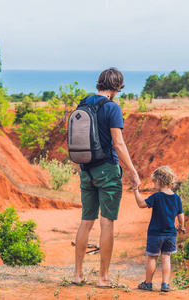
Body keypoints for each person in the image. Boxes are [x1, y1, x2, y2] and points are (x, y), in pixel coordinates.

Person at [73, 67, 141, 287]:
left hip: (86, 170)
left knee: (86, 221)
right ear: (117, 87)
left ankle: (78, 275)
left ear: (100, 83)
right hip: (108, 170)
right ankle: (102, 278)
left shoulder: (83, 103)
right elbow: (118, 143)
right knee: (107, 222)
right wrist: (132, 170)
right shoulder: (112, 108)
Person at [133, 166, 185, 292]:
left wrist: (136, 190)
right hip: (170, 234)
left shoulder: (156, 197)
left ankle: (148, 283)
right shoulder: (176, 198)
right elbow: (180, 214)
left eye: (154, 182)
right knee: (166, 258)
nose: (154, 185)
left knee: (152, 257)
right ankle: (165, 284)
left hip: (155, 234)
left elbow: (141, 204)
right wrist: (181, 226)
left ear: (159, 181)